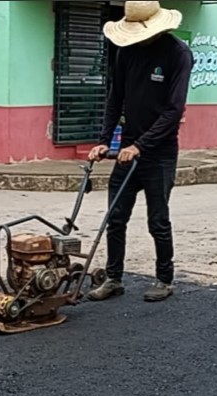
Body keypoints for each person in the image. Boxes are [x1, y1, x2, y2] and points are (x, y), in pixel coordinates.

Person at [86, 1, 192, 303]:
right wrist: (105, 140)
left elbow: (173, 111)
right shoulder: (126, 51)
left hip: (159, 152)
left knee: (157, 219)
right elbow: (115, 98)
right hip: (127, 149)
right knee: (115, 217)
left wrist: (140, 146)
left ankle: (164, 279)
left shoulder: (178, 54)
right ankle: (114, 278)